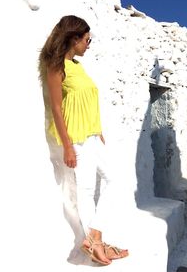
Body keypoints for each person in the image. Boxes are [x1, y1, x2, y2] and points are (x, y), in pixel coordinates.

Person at [38, 15, 128, 266]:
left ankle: (95, 234)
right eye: (87, 39)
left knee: (115, 178)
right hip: (76, 137)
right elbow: (57, 108)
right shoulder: (57, 67)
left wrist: (98, 130)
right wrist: (67, 145)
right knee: (86, 190)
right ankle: (95, 243)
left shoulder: (78, 66)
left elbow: (87, 100)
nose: (89, 44)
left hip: (92, 135)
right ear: (74, 38)